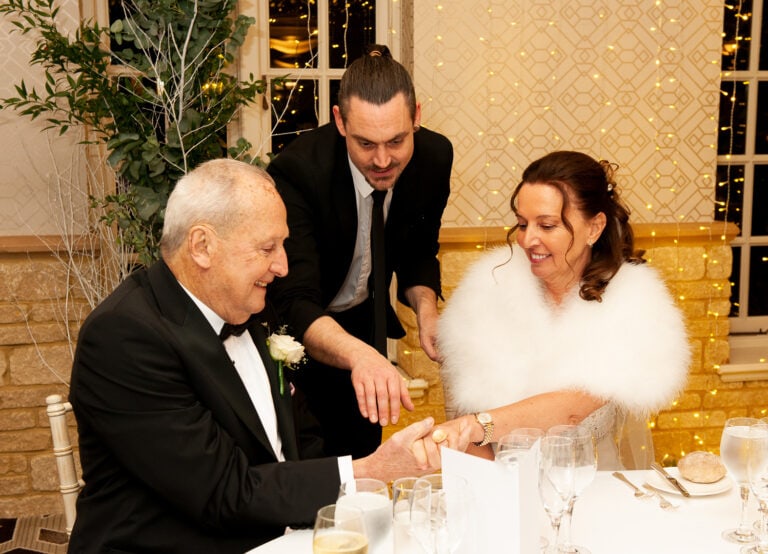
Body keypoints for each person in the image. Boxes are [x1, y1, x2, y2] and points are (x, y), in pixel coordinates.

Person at [67, 159, 469, 553]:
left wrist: (349, 506)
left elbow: (300, 439)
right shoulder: (124, 337)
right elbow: (222, 492)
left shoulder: (252, 309)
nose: (282, 266)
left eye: (283, 245)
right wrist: (365, 472)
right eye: (267, 247)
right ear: (202, 246)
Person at [435, 151, 690, 469]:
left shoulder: (632, 302)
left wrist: (476, 426)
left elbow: (571, 408)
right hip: (498, 477)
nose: (529, 239)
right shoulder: (487, 288)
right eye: (522, 224)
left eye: (547, 225)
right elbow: (462, 407)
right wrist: (492, 490)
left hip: (586, 481)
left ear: (595, 227)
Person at [266, 44, 453, 458]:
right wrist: (360, 357)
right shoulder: (298, 171)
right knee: (309, 465)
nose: (383, 159)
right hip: (302, 337)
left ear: (416, 116)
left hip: (364, 324)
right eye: (366, 143)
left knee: (363, 455)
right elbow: (295, 299)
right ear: (340, 121)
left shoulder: (434, 157)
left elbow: (420, 248)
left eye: (397, 141)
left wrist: (427, 312)